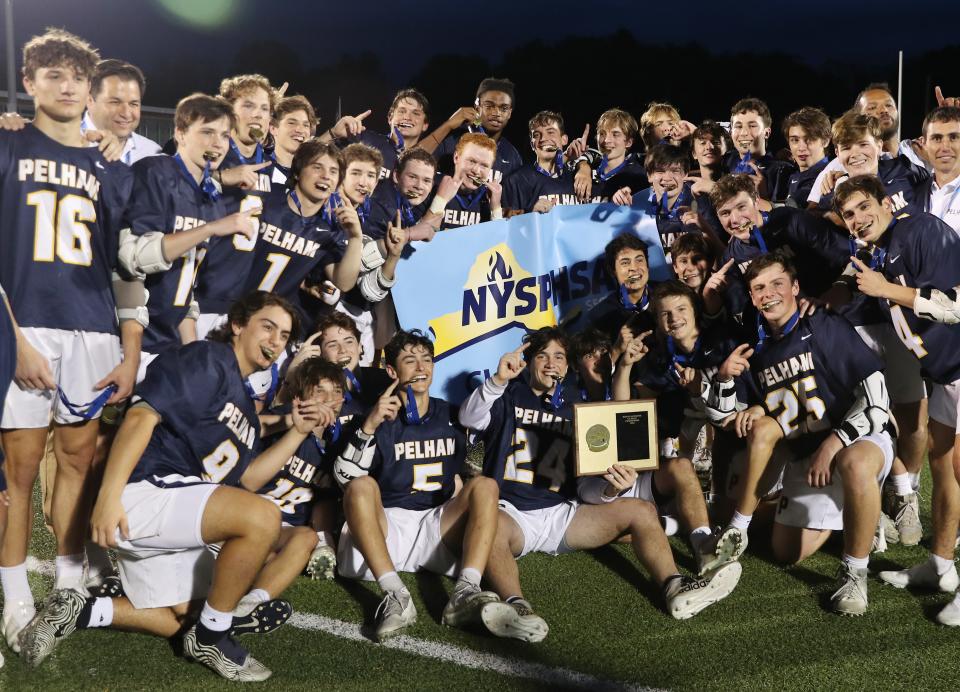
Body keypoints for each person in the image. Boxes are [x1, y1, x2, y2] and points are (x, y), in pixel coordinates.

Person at [17, 292, 322, 679]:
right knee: (263, 517)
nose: (276, 340)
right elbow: (143, 416)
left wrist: (295, 433)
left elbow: (245, 479)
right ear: (238, 325)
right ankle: (215, 636)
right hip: (146, 493)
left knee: (185, 618)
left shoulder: (243, 406)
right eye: (267, 326)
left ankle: (82, 610)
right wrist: (109, 497)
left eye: (284, 334)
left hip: (172, 510)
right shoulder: (208, 359)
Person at [0, 29, 140, 651]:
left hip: (92, 328)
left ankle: (70, 579)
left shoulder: (107, 165)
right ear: (29, 83)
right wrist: (15, 341)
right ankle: (13, 597)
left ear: (88, 90)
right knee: (20, 472)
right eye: (51, 75)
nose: (65, 86)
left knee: (80, 462)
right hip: (25, 323)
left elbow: (126, 267)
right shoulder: (7, 144)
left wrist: (129, 349)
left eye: (76, 78)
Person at [459, 328, 742, 632]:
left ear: (568, 367)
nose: (550, 363)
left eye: (558, 356)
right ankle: (516, 606)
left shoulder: (578, 409)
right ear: (529, 362)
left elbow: (584, 488)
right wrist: (498, 380)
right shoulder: (507, 394)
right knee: (492, 527)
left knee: (640, 509)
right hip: (513, 512)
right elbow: (468, 418)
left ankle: (675, 587)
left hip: (562, 512)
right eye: (542, 356)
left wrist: (610, 488)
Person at [702, 252, 894, 616]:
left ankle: (855, 573)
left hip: (858, 436)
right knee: (784, 552)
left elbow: (876, 398)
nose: (768, 294)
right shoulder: (755, 345)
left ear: (795, 287)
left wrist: (834, 442)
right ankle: (860, 516)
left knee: (855, 464)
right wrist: (726, 377)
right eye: (758, 288)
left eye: (777, 284)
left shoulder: (821, 325)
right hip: (807, 453)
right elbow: (723, 416)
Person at [832, 176, 960, 625]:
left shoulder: (922, 230)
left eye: (865, 207)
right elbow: (851, 283)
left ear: (887, 202)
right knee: (943, 469)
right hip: (945, 373)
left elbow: (955, 305)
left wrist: (885, 289)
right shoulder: (880, 247)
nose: (859, 219)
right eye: (850, 214)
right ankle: (941, 564)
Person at [333, 330, 514, 641]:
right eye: (409, 360)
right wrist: (368, 427)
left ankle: (465, 592)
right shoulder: (378, 415)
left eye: (427, 360)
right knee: (361, 487)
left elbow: (474, 457)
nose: (420, 368)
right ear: (391, 371)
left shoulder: (453, 414)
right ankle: (395, 595)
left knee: (484, 486)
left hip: (437, 525)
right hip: (385, 529)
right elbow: (343, 479)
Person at [119, 93, 261, 378]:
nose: (217, 143)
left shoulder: (209, 196)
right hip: (132, 339)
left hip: (168, 343)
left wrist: (191, 349)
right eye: (207, 132)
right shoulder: (156, 172)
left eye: (224, 135)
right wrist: (210, 228)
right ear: (180, 134)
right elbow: (133, 258)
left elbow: (186, 285)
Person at [417, 77, 522, 183]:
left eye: (504, 108)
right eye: (489, 106)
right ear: (477, 107)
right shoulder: (452, 139)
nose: (496, 113)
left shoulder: (511, 156)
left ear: (510, 113)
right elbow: (411, 161)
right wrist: (448, 125)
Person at [83, 59, 161, 165]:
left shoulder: (153, 153)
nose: (126, 114)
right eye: (115, 102)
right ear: (89, 101)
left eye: (133, 104)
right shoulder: (61, 143)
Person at [502, 110, 580, 214]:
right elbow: (505, 223)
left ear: (564, 139)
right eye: (537, 135)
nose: (543, 139)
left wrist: (583, 164)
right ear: (532, 144)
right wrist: (529, 213)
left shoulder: (577, 177)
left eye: (551, 132)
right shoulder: (515, 181)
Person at [425, 133, 503, 230]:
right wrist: (440, 200)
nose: (476, 171)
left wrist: (496, 209)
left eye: (484, 165)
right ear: (456, 158)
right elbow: (418, 238)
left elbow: (498, 241)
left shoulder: (488, 198)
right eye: (471, 161)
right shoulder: (429, 186)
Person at [723, 97, 792, 202]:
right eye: (738, 126)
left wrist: (764, 198)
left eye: (752, 126)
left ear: (767, 133)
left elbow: (789, 214)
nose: (744, 133)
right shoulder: (726, 160)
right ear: (731, 132)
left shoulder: (781, 170)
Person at [917, 105, 960, 234]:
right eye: (937, 138)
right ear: (923, 144)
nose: (945, 147)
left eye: (953, 137)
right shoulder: (915, 193)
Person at [781, 107, 831, 207]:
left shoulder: (830, 176)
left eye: (809, 139)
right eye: (795, 140)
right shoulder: (788, 175)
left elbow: (793, 208)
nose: (801, 147)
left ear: (825, 141)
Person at [268, 95, 317, 184]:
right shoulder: (261, 168)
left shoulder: (316, 175)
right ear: (273, 129)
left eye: (305, 125)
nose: (300, 130)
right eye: (291, 123)